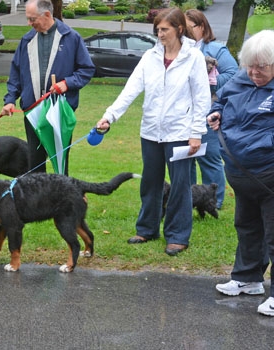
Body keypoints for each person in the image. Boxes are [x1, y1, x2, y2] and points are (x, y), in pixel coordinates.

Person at [95, 7, 211, 256]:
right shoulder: (149, 57)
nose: (160, 34)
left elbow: (202, 98)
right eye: (157, 29)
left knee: (180, 186)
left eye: (165, 29)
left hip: (181, 132)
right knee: (151, 183)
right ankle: (147, 229)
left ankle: (178, 236)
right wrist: (109, 116)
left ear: (179, 29)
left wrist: (196, 133)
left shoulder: (194, 58)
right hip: (150, 132)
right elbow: (130, 89)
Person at [208, 30, 274, 316]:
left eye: (262, 66)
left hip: (269, 174)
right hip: (240, 174)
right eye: (251, 65)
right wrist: (216, 112)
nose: (254, 72)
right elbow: (220, 100)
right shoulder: (241, 79)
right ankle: (248, 279)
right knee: (246, 226)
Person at [0, 0, 95, 175]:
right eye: (28, 19)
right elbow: (16, 73)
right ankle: (39, 202)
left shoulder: (71, 37)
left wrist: (67, 83)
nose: (29, 23)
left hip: (59, 112)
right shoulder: (27, 40)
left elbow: (86, 69)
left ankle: (65, 200)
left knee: (60, 164)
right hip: (33, 112)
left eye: (32, 19)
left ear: (47, 15)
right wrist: (10, 99)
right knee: (35, 164)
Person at [185, 9, 239, 209]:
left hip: (207, 113)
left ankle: (213, 201)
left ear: (201, 27)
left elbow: (234, 74)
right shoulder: (178, 49)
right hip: (182, 114)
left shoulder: (216, 49)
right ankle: (188, 198)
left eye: (189, 28)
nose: (185, 33)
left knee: (209, 158)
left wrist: (211, 81)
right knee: (185, 157)